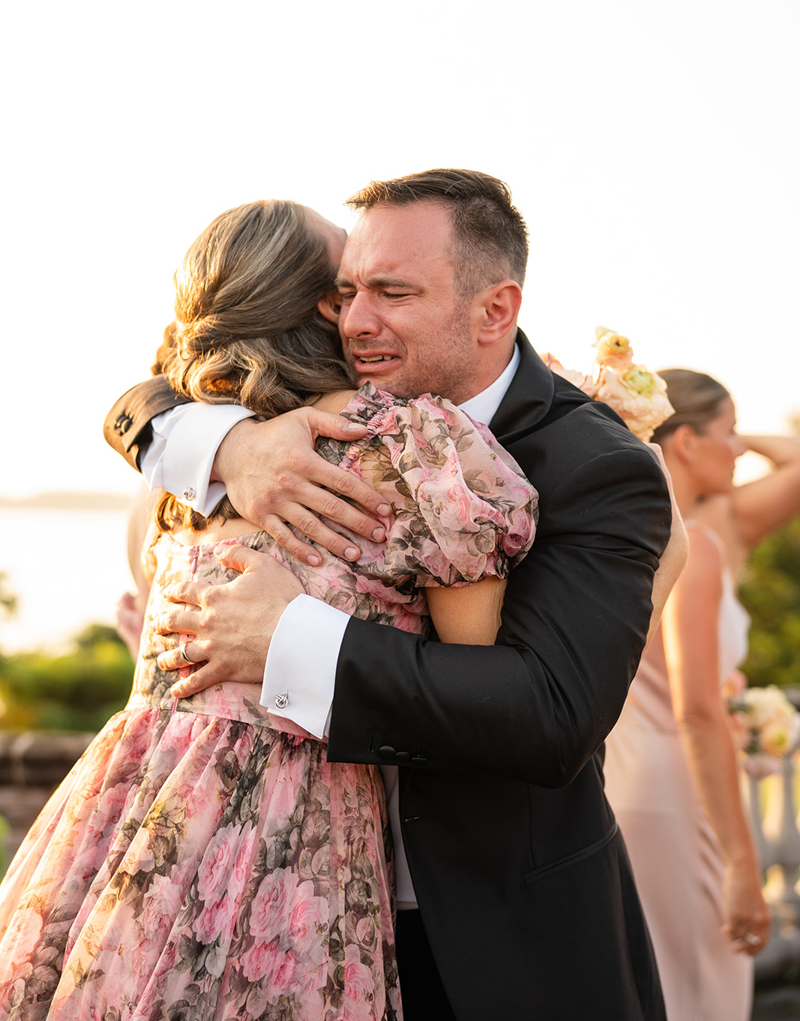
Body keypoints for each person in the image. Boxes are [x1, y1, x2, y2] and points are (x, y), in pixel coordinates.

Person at [102, 168, 679, 1020]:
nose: (358, 321)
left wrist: (288, 639)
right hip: (284, 913)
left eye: (393, 293)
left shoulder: (599, 465)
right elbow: (152, 393)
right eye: (345, 294)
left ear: (494, 310)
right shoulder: (310, 428)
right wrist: (224, 445)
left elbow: (549, 713)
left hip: (494, 943)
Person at [0, 199, 539, 1020]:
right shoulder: (407, 447)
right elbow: (476, 682)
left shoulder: (181, 470)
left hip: (131, 809)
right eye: (345, 284)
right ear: (326, 305)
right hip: (293, 829)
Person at [604, 369, 800, 1020]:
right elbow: (694, 710)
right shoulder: (695, 545)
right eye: (728, 431)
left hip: (620, 781)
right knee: (703, 995)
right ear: (685, 443)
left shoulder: (609, 538)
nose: (740, 448)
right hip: (680, 793)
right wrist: (745, 865)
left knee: (651, 984)